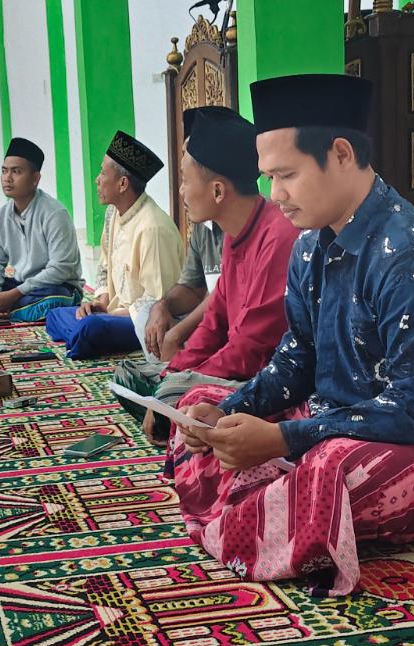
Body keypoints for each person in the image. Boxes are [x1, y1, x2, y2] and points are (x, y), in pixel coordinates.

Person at [170, 74, 414, 596]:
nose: (275, 195)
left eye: (286, 175)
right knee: (200, 401)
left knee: (325, 468)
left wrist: (282, 439)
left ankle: (270, 496)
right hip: (338, 422)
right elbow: (295, 360)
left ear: (342, 153)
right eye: (268, 179)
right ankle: (270, 497)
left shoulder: (413, 257)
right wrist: (229, 411)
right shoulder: (311, 248)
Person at [113, 106, 298, 439]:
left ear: (217, 191)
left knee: (171, 395)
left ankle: (177, 422)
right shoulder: (233, 235)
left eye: (185, 181)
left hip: (265, 382)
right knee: (128, 376)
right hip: (233, 368)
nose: (181, 192)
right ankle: (173, 420)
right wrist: (175, 371)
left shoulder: (279, 236)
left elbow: (249, 349)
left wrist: (177, 386)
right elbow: (215, 322)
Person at [45, 131, 182, 358]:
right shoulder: (113, 214)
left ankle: (84, 336)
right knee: (55, 315)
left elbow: (157, 301)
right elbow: (105, 267)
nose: (97, 179)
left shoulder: (152, 228)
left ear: (123, 183)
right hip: (112, 312)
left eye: (102, 172)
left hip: (141, 321)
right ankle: (83, 336)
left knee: (91, 328)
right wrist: (100, 301)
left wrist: (108, 315)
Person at [0, 138, 83, 321]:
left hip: (56, 287)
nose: (7, 178)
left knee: (53, 300)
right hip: (19, 287)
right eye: (4, 171)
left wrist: (15, 294)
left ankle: (1, 313)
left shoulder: (55, 214)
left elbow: (61, 269)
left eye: (16, 172)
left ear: (35, 178)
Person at [144, 220, 224, 364]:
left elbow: (226, 294)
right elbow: (193, 289)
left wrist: (178, 334)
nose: (182, 196)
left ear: (218, 195)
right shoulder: (203, 225)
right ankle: (172, 368)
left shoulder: (243, 226)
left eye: (184, 194)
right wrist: (162, 306)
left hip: (232, 327)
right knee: (148, 313)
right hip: (210, 318)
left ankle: (177, 371)